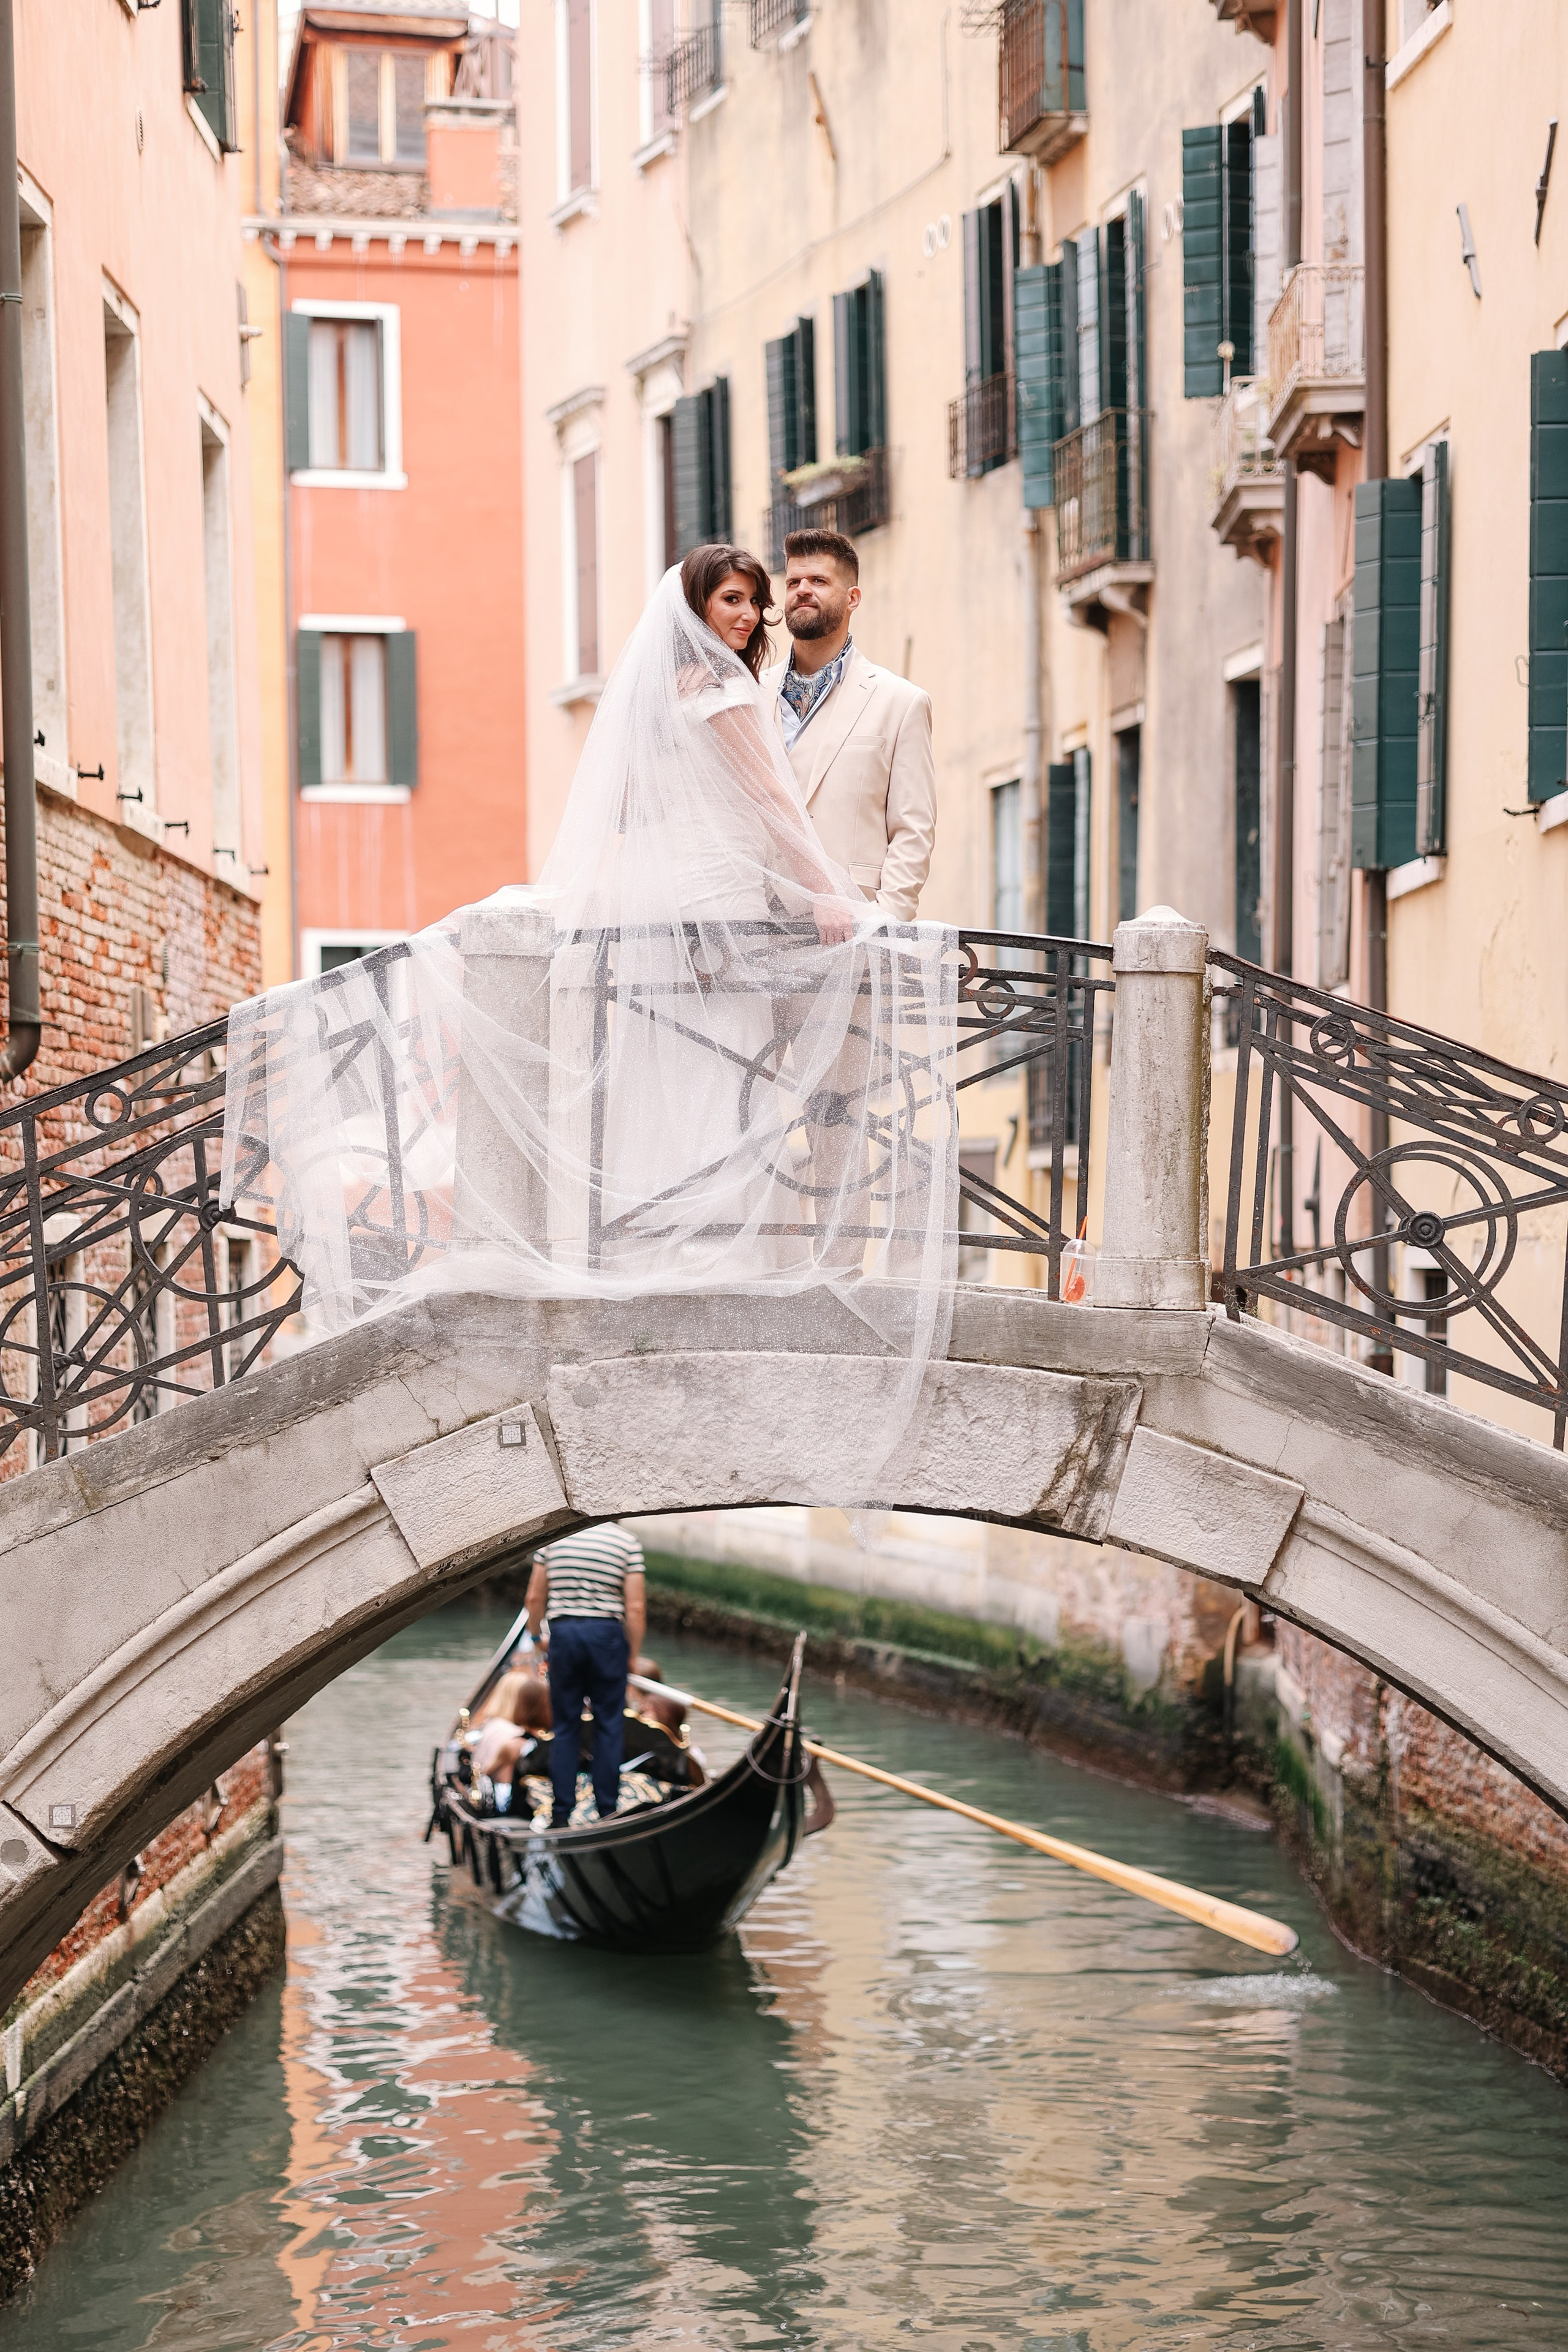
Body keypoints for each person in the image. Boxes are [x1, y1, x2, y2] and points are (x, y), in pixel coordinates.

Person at [763, 529, 936, 921]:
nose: (802, 590)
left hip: (855, 923)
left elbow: (913, 828)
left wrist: (885, 920)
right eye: (793, 582)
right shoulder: (752, 694)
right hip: (756, 928)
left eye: (818, 581)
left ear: (852, 597)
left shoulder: (901, 702)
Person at [525, 1523, 647, 1826]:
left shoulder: (554, 1540)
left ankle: (561, 1814)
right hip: (607, 1636)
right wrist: (631, 1654)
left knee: (566, 1727)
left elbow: (534, 1599)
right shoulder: (626, 1542)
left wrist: (537, 1639)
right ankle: (607, 1811)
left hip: (564, 1634)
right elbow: (635, 1608)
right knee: (609, 1725)